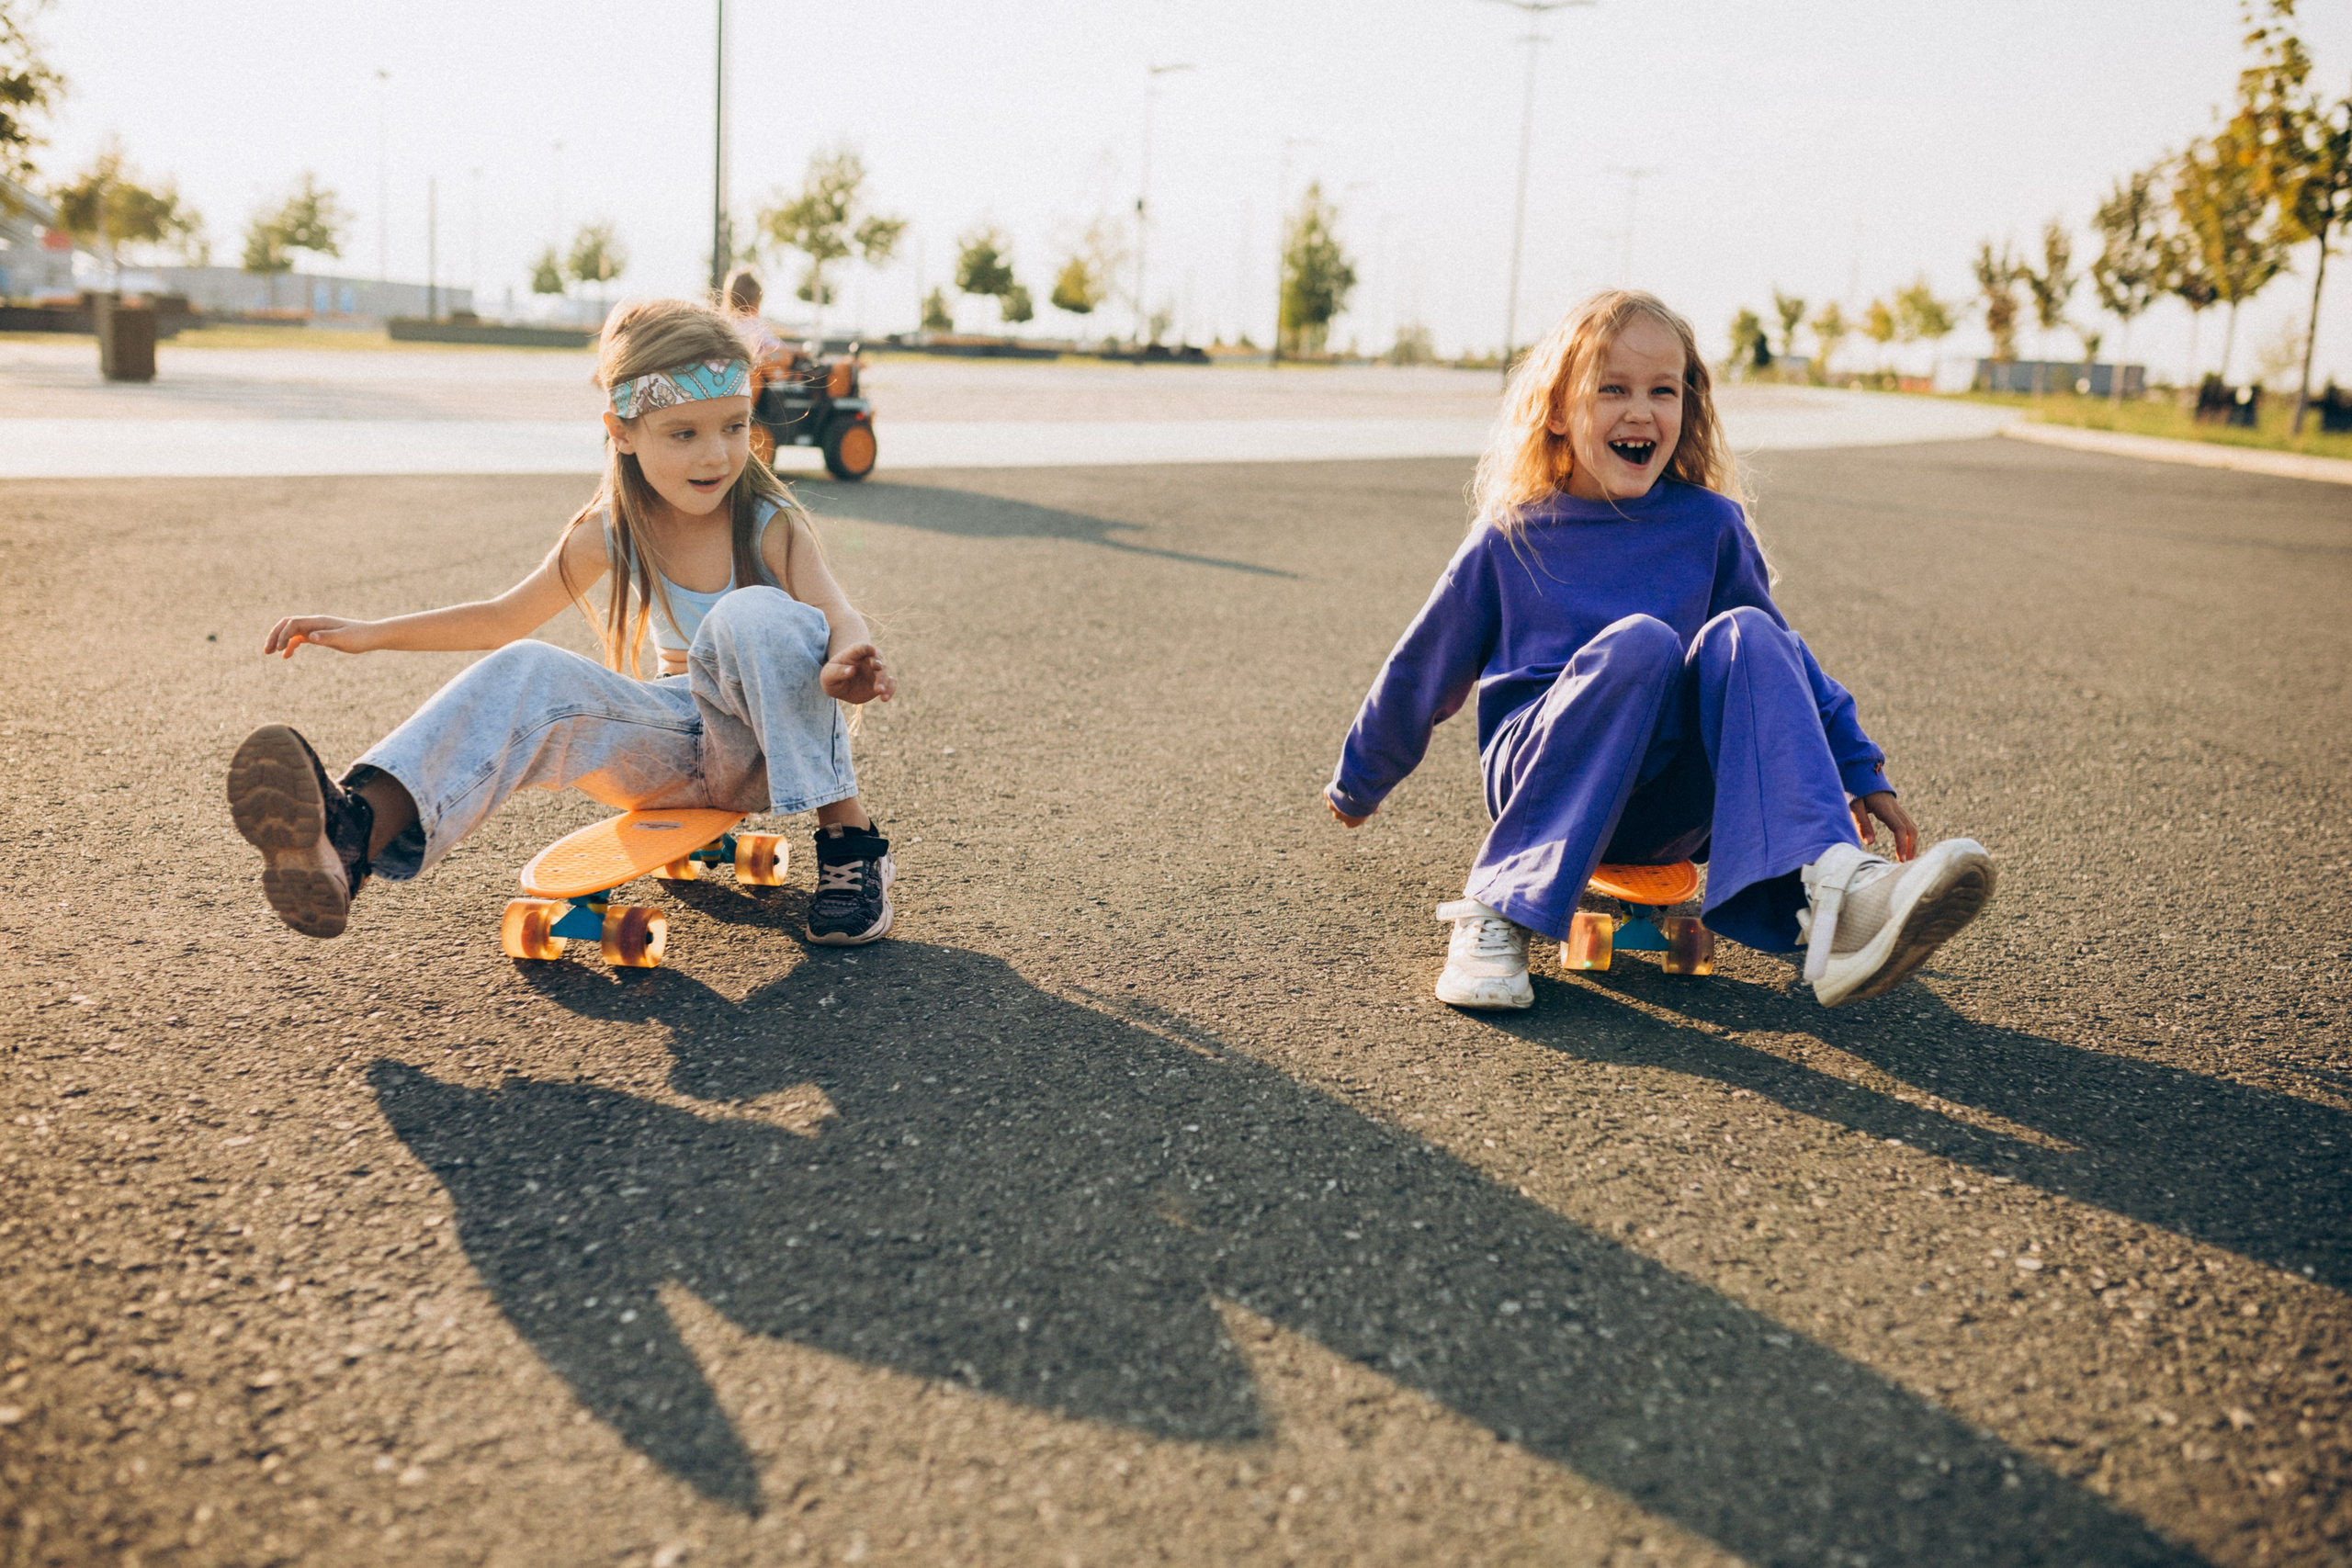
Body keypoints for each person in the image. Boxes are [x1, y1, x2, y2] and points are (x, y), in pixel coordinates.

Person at [1324, 289, 1994, 1010]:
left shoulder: (1710, 526)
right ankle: (1498, 907)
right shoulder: (1512, 536)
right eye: (1612, 388)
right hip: (1544, 780)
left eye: (1662, 391)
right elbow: (1423, 666)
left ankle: (1841, 895)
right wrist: (1360, 783)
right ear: (1556, 410)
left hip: (1673, 805)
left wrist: (1861, 772)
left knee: (1751, 634)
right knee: (1641, 643)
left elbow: (1783, 672)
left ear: (1688, 409)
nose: (1640, 410)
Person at [226, 296, 899, 947]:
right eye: (684, 433)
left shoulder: (767, 523)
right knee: (528, 666)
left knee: (749, 614)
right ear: (623, 433)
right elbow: (500, 618)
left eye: (732, 426)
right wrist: (371, 633)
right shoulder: (612, 528)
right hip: (665, 747)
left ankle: (851, 841)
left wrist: (849, 658)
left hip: (762, 745)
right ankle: (352, 835)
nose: (715, 455)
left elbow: (838, 616)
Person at [723, 267, 797, 466]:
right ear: (756, 301)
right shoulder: (754, 326)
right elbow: (783, 354)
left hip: (728, 386)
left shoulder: (724, 325)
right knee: (784, 369)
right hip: (754, 392)